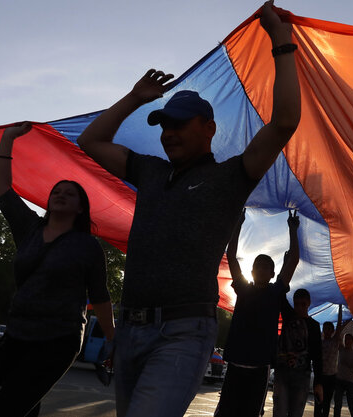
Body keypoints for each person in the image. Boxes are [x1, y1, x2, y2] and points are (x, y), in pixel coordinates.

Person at [75, 2, 300, 415]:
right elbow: (90, 141)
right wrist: (134, 98)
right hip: (131, 329)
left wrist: (281, 42)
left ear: (209, 127)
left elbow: (284, 121)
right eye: (164, 124)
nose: (169, 133)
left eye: (180, 123)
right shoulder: (150, 171)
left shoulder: (232, 176)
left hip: (183, 331)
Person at [0, 122, 115, 417]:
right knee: (26, 407)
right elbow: (1, 186)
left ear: (81, 208)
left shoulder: (88, 247)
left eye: (70, 193)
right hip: (19, 334)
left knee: (6, 409)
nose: (61, 194)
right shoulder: (29, 227)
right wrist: (8, 139)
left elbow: (100, 296)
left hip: (59, 339)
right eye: (57, 191)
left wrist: (112, 340)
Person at [215, 210, 300, 417]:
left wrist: (292, 229)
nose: (261, 269)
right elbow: (231, 255)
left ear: (272, 274)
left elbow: (293, 260)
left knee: (251, 413)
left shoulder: (275, 292)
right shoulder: (243, 289)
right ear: (251, 271)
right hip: (235, 364)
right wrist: (238, 224)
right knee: (226, 412)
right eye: (258, 266)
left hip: (260, 367)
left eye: (266, 267)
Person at [274, 288, 323, 417]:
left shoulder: (314, 326)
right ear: (293, 303)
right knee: (279, 411)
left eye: (303, 304)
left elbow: (318, 355)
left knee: (296, 413)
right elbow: (281, 291)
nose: (300, 308)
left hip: (302, 375)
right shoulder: (288, 315)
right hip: (283, 372)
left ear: (309, 303)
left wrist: (318, 383)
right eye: (297, 304)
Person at [316, 308, 352, 417]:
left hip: (331, 377)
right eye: (325, 329)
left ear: (332, 331)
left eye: (329, 329)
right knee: (318, 402)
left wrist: (340, 308)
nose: (326, 331)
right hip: (320, 376)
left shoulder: (335, 341)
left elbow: (341, 325)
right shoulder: (319, 343)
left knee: (326, 402)